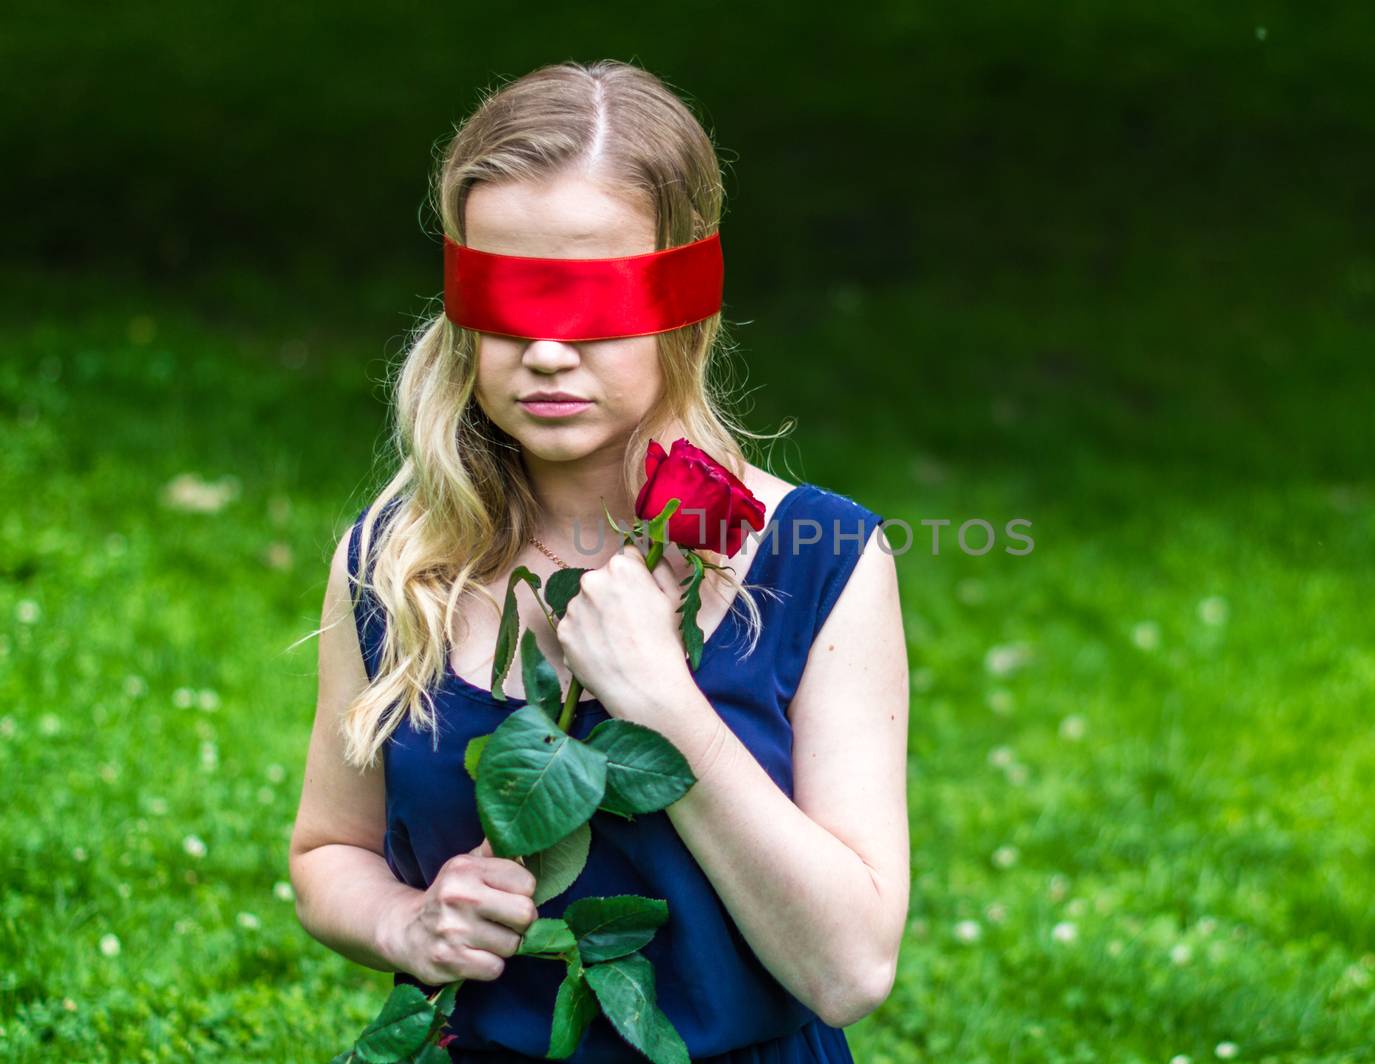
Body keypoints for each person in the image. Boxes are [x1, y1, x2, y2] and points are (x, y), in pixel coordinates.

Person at [288, 59, 910, 1062]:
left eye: (594, 298)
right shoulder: (395, 561)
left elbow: (848, 969)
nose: (543, 349)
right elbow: (328, 852)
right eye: (506, 293)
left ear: (689, 303)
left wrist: (665, 705)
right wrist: (407, 922)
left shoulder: (822, 559)